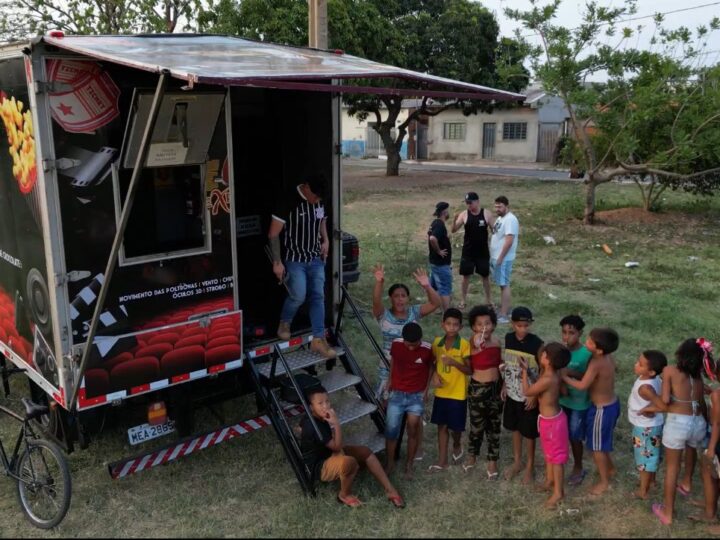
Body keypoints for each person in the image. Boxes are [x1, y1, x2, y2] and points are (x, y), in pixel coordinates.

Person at [299, 385, 405, 508]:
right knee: (350, 462)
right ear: (311, 407)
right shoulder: (314, 426)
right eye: (320, 403)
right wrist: (336, 424)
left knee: (365, 452)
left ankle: (390, 489)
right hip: (320, 465)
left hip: (330, 453)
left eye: (327, 401)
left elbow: (301, 427)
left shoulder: (314, 417)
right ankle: (344, 495)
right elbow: (337, 447)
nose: (326, 406)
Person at [268, 174, 335, 359]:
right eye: (315, 197)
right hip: (294, 259)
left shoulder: (320, 200)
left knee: (318, 296)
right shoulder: (288, 200)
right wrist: (277, 262)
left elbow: (322, 221)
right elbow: (273, 234)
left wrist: (326, 239)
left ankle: (319, 339)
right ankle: (285, 321)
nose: (317, 201)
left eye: (320, 199)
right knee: (298, 295)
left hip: (315, 258)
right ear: (306, 187)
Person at [649, 338, 709, 525]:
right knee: (691, 450)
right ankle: (687, 483)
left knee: (672, 467)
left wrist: (652, 404)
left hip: (678, 423)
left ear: (680, 354)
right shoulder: (699, 375)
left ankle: (667, 512)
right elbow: (701, 402)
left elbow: (665, 400)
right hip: (698, 422)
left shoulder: (669, 371)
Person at [562, 327, 620, 497]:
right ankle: (610, 468)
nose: (585, 342)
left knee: (596, 448)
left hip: (601, 410)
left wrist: (564, 376)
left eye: (589, 342)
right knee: (601, 442)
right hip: (612, 404)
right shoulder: (607, 357)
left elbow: (582, 385)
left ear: (599, 350)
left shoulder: (596, 363)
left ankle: (604, 482)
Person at [371, 265, 441, 401]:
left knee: (410, 402)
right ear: (390, 298)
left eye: (403, 296)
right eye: (396, 296)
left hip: (412, 366)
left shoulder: (414, 312)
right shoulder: (383, 314)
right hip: (388, 364)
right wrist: (379, 282)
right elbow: (376, 301)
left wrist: (427, 286)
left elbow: (435, 303)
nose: (399, 299)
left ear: (408, 298)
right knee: (386, 401)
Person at [521, 342, 571, 508]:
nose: (541, 355)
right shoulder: (550, 374)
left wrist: (523, 373)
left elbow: (528, 391)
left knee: (556, 459)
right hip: (548, 420)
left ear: (548, 360)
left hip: (552, 424)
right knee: (549, 454)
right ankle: (550, 481)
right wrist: (529, 371)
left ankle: (558, 492)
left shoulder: (549, 377)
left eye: (544, 354)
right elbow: (539, 384)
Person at [384, 322, 434, 479]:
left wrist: (426, 390)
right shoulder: (396, 345)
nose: (411, 347)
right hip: (397, 394)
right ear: (403, 339)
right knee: (391, 430)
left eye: (415, 344)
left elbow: (432, 367)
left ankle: (409, 465)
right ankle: (390, 463)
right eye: (408, 344)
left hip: (416, 396)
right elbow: (393, 360)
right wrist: (389, 379)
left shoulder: (427, 349)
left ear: (420, 339)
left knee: (412, 428)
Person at [501, 306, 543, 484]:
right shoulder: (508, 339)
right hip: (512, 392)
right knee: (515, 428)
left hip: (528, 396)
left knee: (529, 433)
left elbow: (543, 371)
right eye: (519, 325)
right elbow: (508, 364)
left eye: (526, 325)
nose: (523, 329)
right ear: (512, 324)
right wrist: (504, 384)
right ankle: (517, 461)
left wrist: (535, 395)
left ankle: (530, 466)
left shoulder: (537, 344)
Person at [428, 308, 471, 472]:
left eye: (455, 325)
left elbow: (469, 370)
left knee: (456, 428)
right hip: (441, 393)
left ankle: (457, 443)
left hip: (458, 394)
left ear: (460, 327)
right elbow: (431, 363)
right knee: (442, 426)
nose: (451, 328)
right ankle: (442, 461)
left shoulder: (464, 345)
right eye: (448, 324)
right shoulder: (437, 343)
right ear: (442, 325)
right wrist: (433, 377)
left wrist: (454, 363)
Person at [464, 304, 503, 478]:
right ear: (473, 327)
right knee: (477, 426)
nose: (484, 327)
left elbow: (500, 363)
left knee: (494, 426)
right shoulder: (472, 343)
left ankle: (492, 460)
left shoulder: (497, 342)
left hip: (496, 388)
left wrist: (504, 386)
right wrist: (477, 341)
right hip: (478, 389)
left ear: (494, 325)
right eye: (479, 324)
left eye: (487, 323)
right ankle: (472, 455)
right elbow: (476, 342)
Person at [627, 350, 667, 499]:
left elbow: (662, 406)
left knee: (644, 459)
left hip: (645, 428)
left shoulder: (645, 388)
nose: (636, 365)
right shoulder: (655, 379)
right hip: (652, 425)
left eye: (640, 364)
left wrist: (648, 408)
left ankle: (643, 491)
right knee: (653, 455)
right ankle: (653, 481)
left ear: (651, 371)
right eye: (638, 361)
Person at [558, 315, 592, 486]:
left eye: (571, 333)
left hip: (579, 403)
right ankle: (560, 463)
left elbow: (589, 377)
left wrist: (568, 372)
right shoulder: (560, 350)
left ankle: (578, 466)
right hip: (562, 400)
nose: (566, 337)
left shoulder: (586, 353)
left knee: (575, 436)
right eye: (564, 332)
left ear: (580, 333)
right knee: (561, 434)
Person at [692, 339, 720, 533]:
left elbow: (717, 423)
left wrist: (711, 448)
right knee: (709, 471)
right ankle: (709, 506)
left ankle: (712, 517)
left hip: (718, 442)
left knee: (709, 470)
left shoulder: (718, 395)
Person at [451, 192, 494, 309]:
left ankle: (488, 300)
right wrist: (454, 220)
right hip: (468, 251)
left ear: (477, 201)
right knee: (466, 276)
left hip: (482, 251)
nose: (469, 205)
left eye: (470, 203)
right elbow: (454, 230)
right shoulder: (464, 214)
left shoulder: (486, 214)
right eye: (467, 203)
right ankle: (463, 300)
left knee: (485, 276)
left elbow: (494, 230)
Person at [489, 196, 519, 324]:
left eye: (500, 206)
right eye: (496, 206)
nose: (497, 209)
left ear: (507, 206)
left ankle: (504, 314)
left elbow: (509, 240)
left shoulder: (510, 220)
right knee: (502, 284)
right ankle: (504, 309)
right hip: (496, 257)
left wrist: (501, 258)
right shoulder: (501, 218)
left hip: (503, 258)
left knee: (504, 284)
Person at [427, 201, 453, 311]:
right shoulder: (440, 225)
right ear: (444, 212)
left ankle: (433, 307)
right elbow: (432, 238)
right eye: (448, 210)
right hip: (440, 264)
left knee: (433, 286)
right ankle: (447, 313)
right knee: (445, 288)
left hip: (434, 262)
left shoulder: (434, 223)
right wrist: (439, 251)